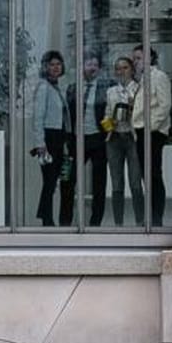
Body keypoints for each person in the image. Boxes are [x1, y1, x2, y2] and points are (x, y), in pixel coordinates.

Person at [26, 49, 74, 227]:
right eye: (52, 64)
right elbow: (37, 117)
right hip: (49, 137)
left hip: (60, 136)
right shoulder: (43, 87)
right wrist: (40, 143)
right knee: (50, 180)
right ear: (45, 67)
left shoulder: (57, 87)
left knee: (53, 180)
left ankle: (46, 217)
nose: (55, 67)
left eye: (58, 64)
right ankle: (47, 219)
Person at [132, 45, 172, 227]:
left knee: (154, 174)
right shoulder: (142, 79)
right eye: (135, 58)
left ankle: (157, 217)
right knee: (146, 174)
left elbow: (165, 105)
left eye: (139, 58)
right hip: (142, 130)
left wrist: (151, 126)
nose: (136, 62)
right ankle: (151, 215)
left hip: (152, 131)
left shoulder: (159, 77)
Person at [105, 55, 146, 227]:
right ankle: (118, 223)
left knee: (135, 181)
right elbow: (107, 112)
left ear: (132, 70)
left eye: (125, 67)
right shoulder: (111, 91)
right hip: (114, 138)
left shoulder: (139, 89)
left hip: (132, 138)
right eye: (118, 68)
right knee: (116, 181)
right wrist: (109, 124)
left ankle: (140, 221)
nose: (121, 71)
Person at [75, 53, 109, 227]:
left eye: (95, 64)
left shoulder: (106, 88)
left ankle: (95, 222)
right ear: (82, 67)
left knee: (99, 183)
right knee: (69, 179)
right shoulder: (73, 88)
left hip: (98, 139)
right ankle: (66, 221)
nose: (92, 67)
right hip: (78, 140)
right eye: (89, 64)